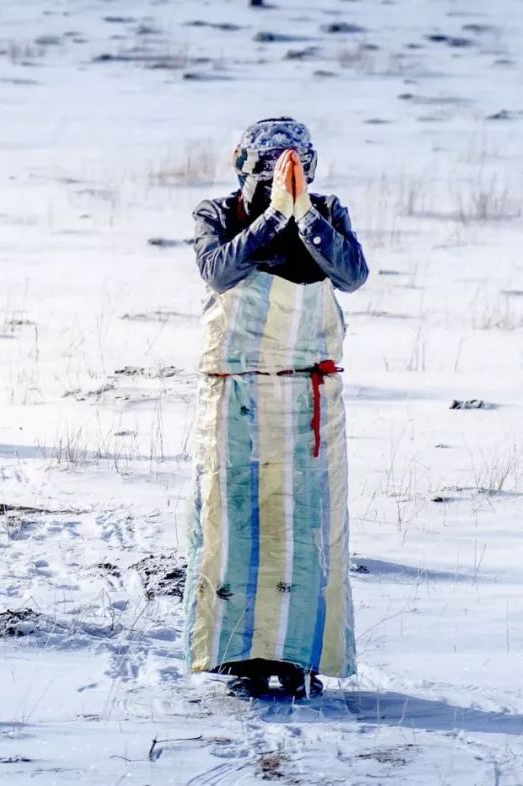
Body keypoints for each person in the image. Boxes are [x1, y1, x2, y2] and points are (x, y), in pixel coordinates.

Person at [183, 118, 368, 699]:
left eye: (296, 166)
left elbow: (353, 274)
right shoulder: (216, 214)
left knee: (304, 524)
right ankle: (236, 654)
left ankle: (297, 656)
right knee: (234, 519)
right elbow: (219, 271)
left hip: (306, 392)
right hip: (236, 391)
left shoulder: (328, 211)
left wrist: (306, 217)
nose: (284, 177)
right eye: (272, 167)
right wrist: (271, 220)